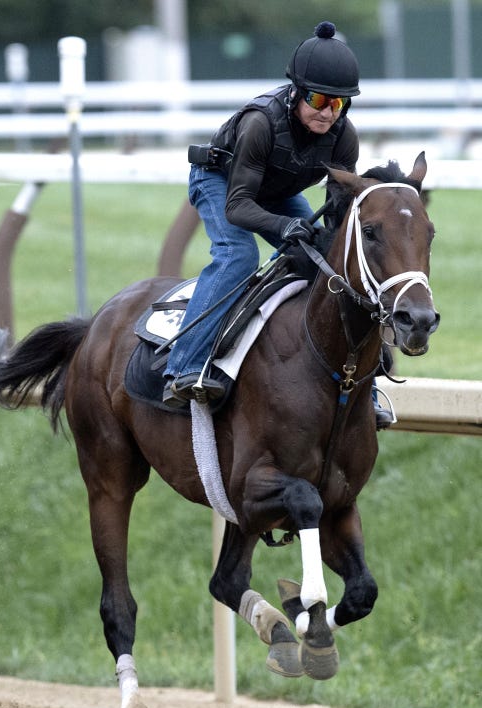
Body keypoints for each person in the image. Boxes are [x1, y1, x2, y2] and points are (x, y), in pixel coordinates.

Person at [163, 22, 393, 429]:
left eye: (338, 104)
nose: (327, 112)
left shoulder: (344, 139)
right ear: (296, 92)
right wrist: (285, 227)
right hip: (222, 182)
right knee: (239, 254)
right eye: (319, 99)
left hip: (276, 188)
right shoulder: (260, 124)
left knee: (325, 262)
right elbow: (238, 206)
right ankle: (184, 366)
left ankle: (364, 385)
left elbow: (337, 217)